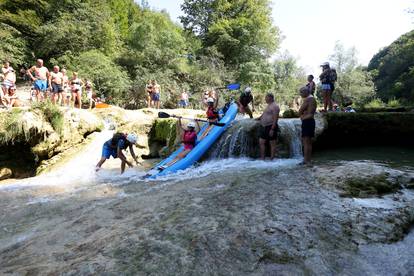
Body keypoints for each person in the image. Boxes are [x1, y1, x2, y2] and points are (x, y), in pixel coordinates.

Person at [256, 93, 280, 160]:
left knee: (272, 143)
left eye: (266, 98)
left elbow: (276, 118)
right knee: (261, 141)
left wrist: (272, 129)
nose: (265, 99)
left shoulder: (275, 106)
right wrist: (259, 118)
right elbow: (265, 114)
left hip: (271, 126)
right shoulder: (269, 105)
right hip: (264, 126)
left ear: (271, 98)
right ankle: (262, 158)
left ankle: (272, 159)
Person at [298, 86, 317, 165]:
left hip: (307, 121)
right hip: (311, 121)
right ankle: (308, 160)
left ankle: (306, 160)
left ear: (306, 92)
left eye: (301, 92)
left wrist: (302, 116)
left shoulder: (308, 99)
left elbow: (300, 110)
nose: (300, 94)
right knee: (309, 142)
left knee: (306, 142)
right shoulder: (313, 99)